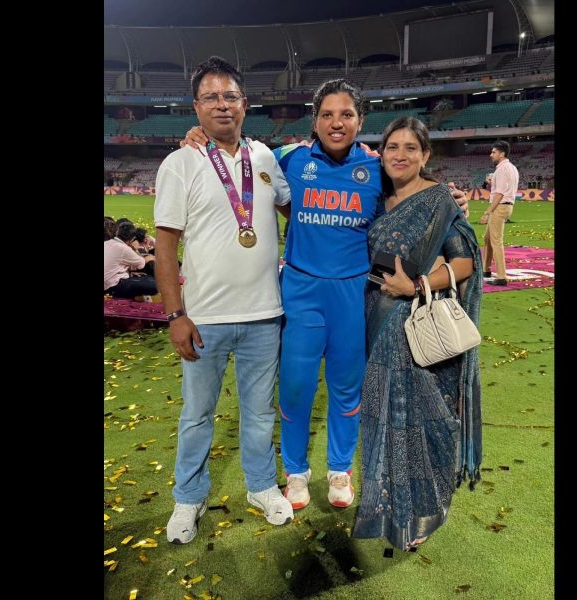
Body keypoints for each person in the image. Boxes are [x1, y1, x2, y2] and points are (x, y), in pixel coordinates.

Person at [183, 79, 470, 513]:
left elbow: (414, 197)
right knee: (295, 390)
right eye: (327, 115)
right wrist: (198, 134)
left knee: (346, 390)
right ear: (314, 120)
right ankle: (296, 474)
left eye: (347, 115)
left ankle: (340, 470)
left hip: (352, 298)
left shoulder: (376, 170)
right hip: (300, 295)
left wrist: (452, 203)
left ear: (361, 121)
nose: (337, 123)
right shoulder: (289, 160)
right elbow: (240, 150)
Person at [153, 56, 294, 545]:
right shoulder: (179, 162)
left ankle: (260, 486)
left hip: (264, 314)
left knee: (259, 413)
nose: (221, 105)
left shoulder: (267, 159)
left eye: (229, 96)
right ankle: (188, 498)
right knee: (196, 415)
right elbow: (166, 246)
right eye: (210, 97)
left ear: (245, 104)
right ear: (196, 107)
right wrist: (175, 313)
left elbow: (298, 210)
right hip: (205, 318)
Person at [350, 116, 482, 551]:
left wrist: (418, 285)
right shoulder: (375, 197)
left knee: (422, 420)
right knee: (381, 414)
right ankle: (386, 506)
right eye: (392, 147)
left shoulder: (440, 200)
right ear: (381, 152)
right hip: (373, 318)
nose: (400, 155)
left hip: (414, 324)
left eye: (411, 148)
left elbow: (463, 262)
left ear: (426, 156)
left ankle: (421, 513)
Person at [480, 140, 519, 285]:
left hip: (500, 207)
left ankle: (501, 277)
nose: (491, 155)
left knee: (496, 241)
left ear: (502, 154)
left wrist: (488, 211)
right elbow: (503, 189)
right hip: (506, 206)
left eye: (494, 152)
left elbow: (501, 193)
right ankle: (486, 269)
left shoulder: (502, 169)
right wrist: (492, 183)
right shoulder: (511, 167)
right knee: (487, 238)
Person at [104, 222, 157, 298]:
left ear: (117, 232)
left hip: (108, 283)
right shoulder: (123, 248)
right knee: (152, 283)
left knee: (144, 279)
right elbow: (141, 264)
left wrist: (129, 273)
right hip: (112, 287)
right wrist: (150, 257)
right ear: (132, 238)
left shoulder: (107, 243)